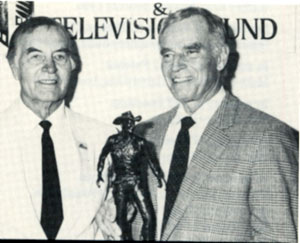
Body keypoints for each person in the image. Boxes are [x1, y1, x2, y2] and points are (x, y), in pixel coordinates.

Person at [131, 7, 298, 242]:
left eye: (190, 51)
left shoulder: (268, 137)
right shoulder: (145, 134)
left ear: (220, 58)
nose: (175, 66)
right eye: (167, 54)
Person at [0, 16, 120, 240]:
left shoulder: (104, 138)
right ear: (14, 67)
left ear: (73, 65)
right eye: (35, 57)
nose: (50, 68)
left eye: (60, 57)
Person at [97, 111, 165, 241]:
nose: (130, 125)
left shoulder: (140, 142)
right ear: (123, 124)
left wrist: (158, 176)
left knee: (148, 217)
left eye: (131, 122)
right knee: (122, 220)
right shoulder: (113, 140)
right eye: (128, 122)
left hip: (135, 182)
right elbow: (102, 157)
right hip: (122, 183)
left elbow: (152, 161)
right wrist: (99, 174)